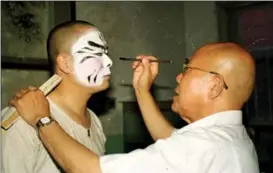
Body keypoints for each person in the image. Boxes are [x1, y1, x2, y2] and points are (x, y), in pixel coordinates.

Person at [9, 42, 259, 173]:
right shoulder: (233, 137)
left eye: (188, 69)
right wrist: (141, 90)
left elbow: (89, 171)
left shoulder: (202, 147)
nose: (178, 77)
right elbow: (174, 141)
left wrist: (42, 118)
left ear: (214, 86)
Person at [1, 20, 113, 173]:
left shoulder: (94, 120)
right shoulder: (23, 120)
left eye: (105, 53)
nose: (108, 62)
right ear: (65, 64)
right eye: (97, 54)